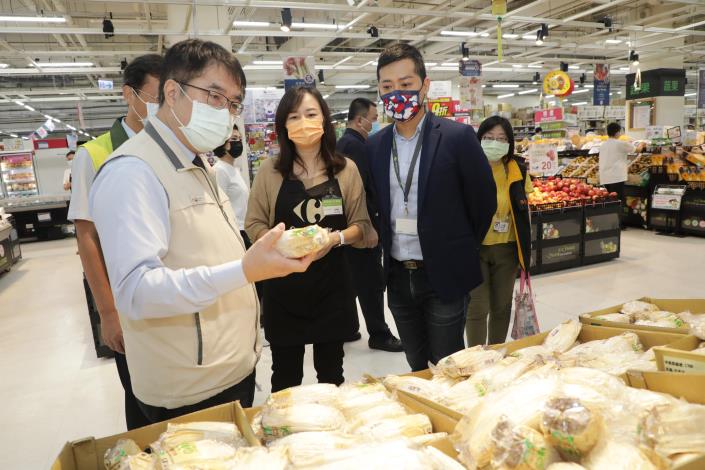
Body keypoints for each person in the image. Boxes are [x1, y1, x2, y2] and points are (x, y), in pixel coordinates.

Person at [89, 39, 315, 422]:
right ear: (173, 92)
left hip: (226, 370)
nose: (225, 112)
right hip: (187, 389)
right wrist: (244, 270)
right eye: (214, 95)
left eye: (233, 103)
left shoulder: (196, 163)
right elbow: (137, 291)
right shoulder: (133, 172)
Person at [366, 43, 496, 371]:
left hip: (444, 274)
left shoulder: (457, 137)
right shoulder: (375, 146)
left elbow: (483, 202)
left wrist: (457, 245)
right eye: (387, 86)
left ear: (425, 86)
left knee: (447, 364)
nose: (397, 93)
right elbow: (374, 203)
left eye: (406, 84)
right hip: (397, 275)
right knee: (416, 362)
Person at [246, 86, 375, 392]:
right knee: (285, 379)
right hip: (283, 288)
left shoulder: (345, 170)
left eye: (311, 114)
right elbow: (253, 223)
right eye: (294, 116)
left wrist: (335, 239)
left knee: (331, 377)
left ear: (324, 119)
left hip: (332, 288)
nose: (303, 121)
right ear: (283, 125)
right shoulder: (271, 171)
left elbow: (362, 225)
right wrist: (282, 243)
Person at [67, 53, 163, 430]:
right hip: (128, 302)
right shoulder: (95, 154)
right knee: (141, 398)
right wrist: (107, 314)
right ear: (129, 95)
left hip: (171, 294)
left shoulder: (173, 148)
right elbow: (86, 236)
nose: (163, 107)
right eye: (156, 97)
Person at [336, 97, 402, 352]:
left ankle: (348, 327)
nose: (375, 125)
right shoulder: (355, 146)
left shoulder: (348, 143)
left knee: (353, 279)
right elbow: (359, 191)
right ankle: (379, 334)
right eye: (373, 120)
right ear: (359, 119)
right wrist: (369, 226)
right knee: (370, 282)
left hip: (352, 225)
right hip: (361, 226)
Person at [465, 116, 532, 346]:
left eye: (501, 139)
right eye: (489, 138)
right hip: (476, 248)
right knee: (477, 306)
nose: (495, 143)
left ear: (510, 142)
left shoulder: (517, 170)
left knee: (502, 306)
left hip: (507, 248)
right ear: (479, 139)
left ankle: (495, 353)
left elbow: (525, 210)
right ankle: (475, 358)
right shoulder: (468, 167)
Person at [213, 123, 251, 247]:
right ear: (222, 143)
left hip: (243, 228)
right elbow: (219, 206)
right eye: (234, 139)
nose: (238, 143)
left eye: (240, 139)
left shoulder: (233, 169)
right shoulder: (220, 170)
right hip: (234, 231)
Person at [599, 122, 633, 228]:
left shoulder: (603, 145)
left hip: (605, 177)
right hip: (616, 177)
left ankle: (609, 223)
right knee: (618, 201)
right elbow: (636, 149)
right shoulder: (620, 143)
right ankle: (618, 224)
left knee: (609, 201)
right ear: (618, 132)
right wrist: (642, 144)